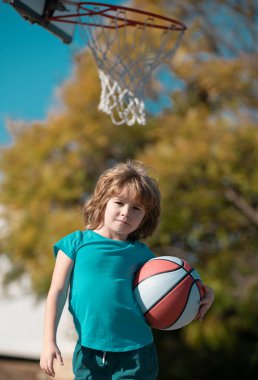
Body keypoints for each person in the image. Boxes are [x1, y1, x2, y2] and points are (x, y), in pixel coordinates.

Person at [40, 160, 215, 379]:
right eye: (120, 203)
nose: (126, 213)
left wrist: (206, 292)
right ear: (103, 201)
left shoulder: (142, 255)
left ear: (144, 217)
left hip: (137, 353)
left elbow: (174, 283)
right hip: (89, 351)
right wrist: (49, 341)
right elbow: (56, 293)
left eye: (136, 208)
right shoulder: (75, 243)